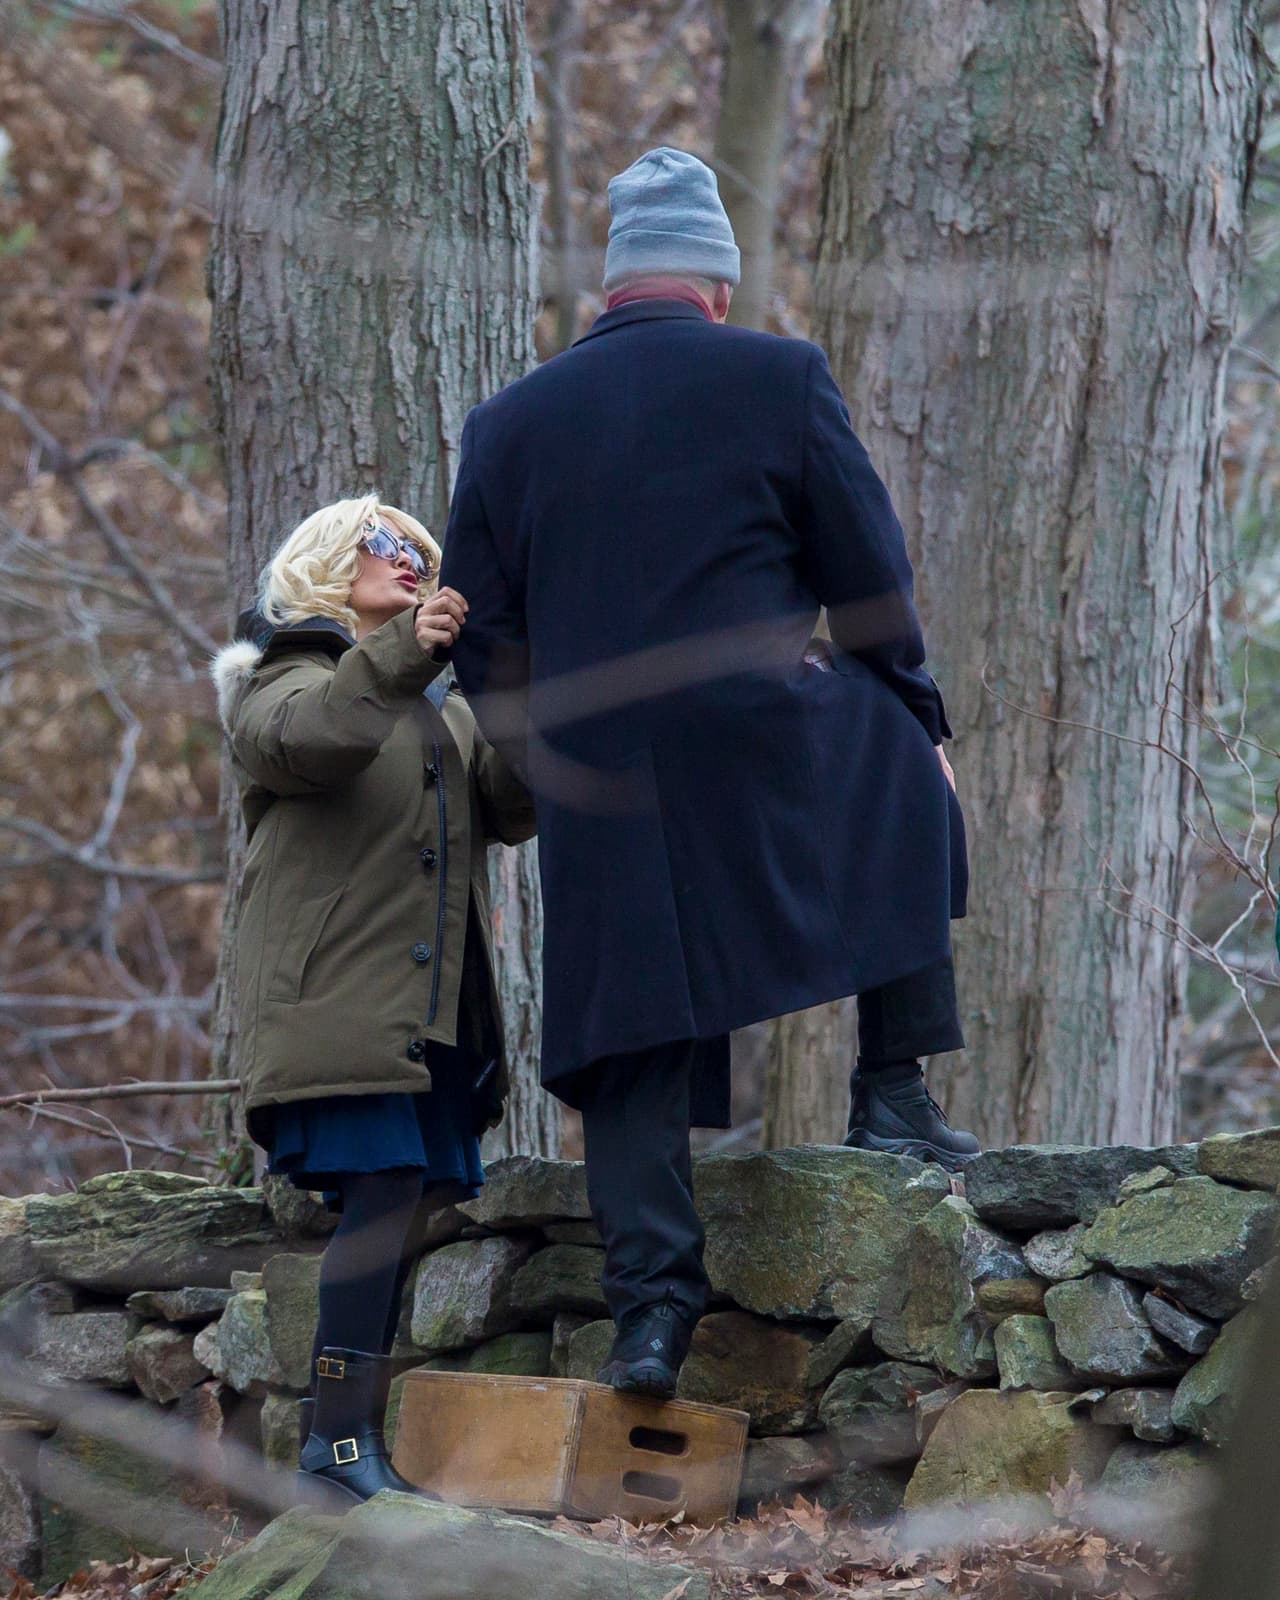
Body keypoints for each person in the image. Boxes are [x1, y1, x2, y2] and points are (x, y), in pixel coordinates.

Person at [440, 146, 976, 1400]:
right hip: (760, 737)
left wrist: (545, 756)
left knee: (631, 1024)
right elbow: (868, 586)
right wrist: (918, 717)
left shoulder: (507, 423)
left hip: (600, 766)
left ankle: (648, 1313)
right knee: (895, 749)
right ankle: (893, 1090)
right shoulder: (777, 376)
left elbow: (479, 630)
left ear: (610, 292)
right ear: (716, 289)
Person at [211, 495, 534, 1503]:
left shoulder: (433, 709)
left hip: (425, 1019)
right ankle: (335, 1445)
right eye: (385, 546)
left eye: (420, 555)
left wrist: (528, 692)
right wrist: (406, 653)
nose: (410, 562)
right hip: (332, 1009)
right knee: (384, 1194)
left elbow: (512, 803)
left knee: (404, 1206)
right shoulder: (280, 672)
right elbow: (316, 741)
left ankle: (345, 1443)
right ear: (325, 563)